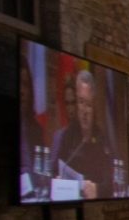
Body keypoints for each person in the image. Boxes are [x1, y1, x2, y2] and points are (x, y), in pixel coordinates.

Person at [50, 68, 117, 197]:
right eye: (81, 102)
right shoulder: (68, 134)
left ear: (94, 106)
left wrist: (97, 189)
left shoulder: (101, 139)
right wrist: (56, 180)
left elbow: (111, 183)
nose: (84, 110)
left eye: (88, 104)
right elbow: (53, 171)